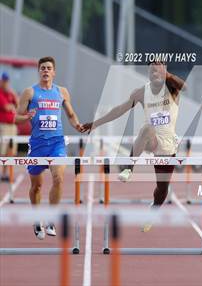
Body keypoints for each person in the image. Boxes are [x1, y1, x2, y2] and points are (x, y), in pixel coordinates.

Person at [81, 61, 185, 232]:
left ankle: (154, 210)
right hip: (151, 140)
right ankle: (128, 168)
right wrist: (95, 123)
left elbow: (184, 86)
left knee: (161, 189)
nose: (154, 74)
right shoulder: (141, 93)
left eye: (158, 71)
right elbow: (119, 110)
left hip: (168, 145)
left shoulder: (172, 89)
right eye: (151, 71)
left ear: (165, 72)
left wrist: (167, 75)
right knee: (146, 129)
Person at [14, 56, 83, 240]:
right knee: (36, 186)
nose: (45, 70)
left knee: (58, 178)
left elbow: (71, 113)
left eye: (49, 68)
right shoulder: (30, 93)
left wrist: (77, 125)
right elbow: (16, 118)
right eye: (42, 68)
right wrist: (28, 115)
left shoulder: (61, 92)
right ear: (39, 71)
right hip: (37, 144)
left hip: (57, 143)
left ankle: (51, 218)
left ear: (54, 72)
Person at [0, 72, 19, 181]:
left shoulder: (9, 93)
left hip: (12, 125)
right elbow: (7, 107)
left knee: (10, 151)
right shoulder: (0, 93)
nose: (5, 83)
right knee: (2, 150)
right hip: (4, 126)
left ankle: (5, 174)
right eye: (4, 81)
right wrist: (12, 106)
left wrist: (12, 93)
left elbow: (17, 104)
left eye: (7, 81)